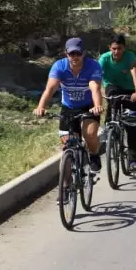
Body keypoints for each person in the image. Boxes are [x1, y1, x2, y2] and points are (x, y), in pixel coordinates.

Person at [34, 38, 104, 171]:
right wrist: (41, 107)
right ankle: (67, 184)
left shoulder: (93, 66)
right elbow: (50, 88)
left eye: (78, 53)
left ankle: (94, 154)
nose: (75, 57)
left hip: (89, 106)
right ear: (66, 53)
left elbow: (94, 87)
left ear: (83, 53)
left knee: (89, 134)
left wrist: (97, 105)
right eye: (72, 54)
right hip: (68, 108)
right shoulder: (59, 66)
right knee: (68, 144)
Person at [99, 33, 136, 173]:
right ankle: (110, 130)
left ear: (124, 48)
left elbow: (135, 74)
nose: (116, 52)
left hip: (129, 89)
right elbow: (97, 76)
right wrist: (97, 93)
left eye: (119, 48)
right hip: (112, 86)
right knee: (112, 100)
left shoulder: (129, 56)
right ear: (110, 48)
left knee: (132, 123)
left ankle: (133, 157)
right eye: (114, 48)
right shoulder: (104, 58)